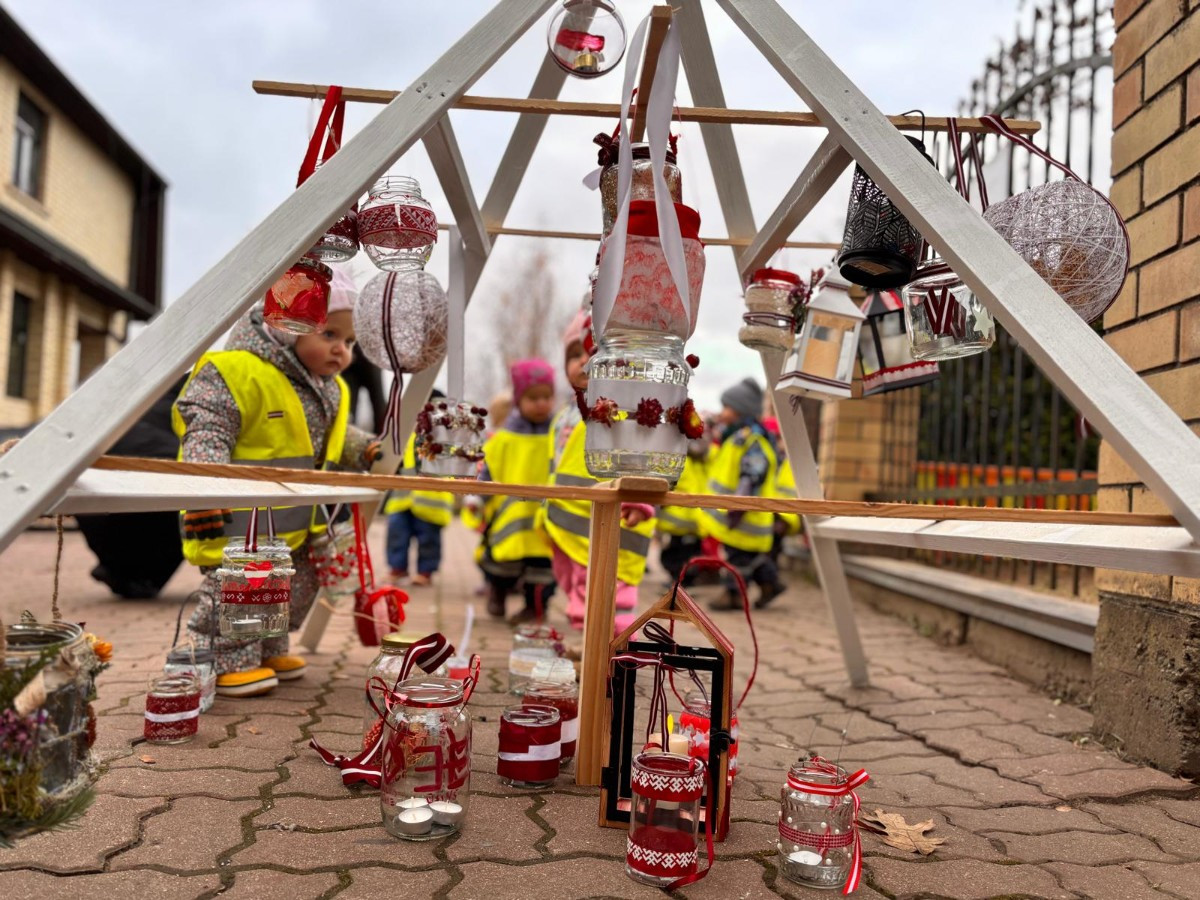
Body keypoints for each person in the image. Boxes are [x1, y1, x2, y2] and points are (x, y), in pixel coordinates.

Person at [173, 268, 378, 696]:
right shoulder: (235, 372)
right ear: (287, 326)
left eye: (350, 342)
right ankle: (225, 657)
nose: (341, 351)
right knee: (244, 584)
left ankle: (269, 648)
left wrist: (364, 449)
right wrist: (205, 487)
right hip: (239, 515)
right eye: (330, 334)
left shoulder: (329, 388)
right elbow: (208, 428)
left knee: (290, 587)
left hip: (296, 518)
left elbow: (332, 437)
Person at [543, 311, 655, 636]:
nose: (582, 362)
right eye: (573, 355)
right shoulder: (566, 414)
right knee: (580, 593)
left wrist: (640, 499)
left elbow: (643, 453)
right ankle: (591, 648)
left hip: (613, 517)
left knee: (613, 593)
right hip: (572, 522)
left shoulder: (622, 406)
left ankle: (619, 650)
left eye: (592, 352)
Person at [76, 376, 188, 599]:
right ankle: (133, 575)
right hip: (160, 469)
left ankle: (128, 573)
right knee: (187, 515)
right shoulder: (183, 391)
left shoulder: (143, 392)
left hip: (105, 471)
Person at [478, 359, 557, 623]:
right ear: (518, 400)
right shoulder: (505, 437)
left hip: (545, 518)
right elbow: (489, 465)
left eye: (547, 397)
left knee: (542, 569)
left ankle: (535, 608)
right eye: (533, 398)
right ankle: (497, 594)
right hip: (509, 516)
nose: (541, 403)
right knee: (501, 563)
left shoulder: (558, 436)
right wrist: (482, 492)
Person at [698, 377, 787, 610]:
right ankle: (770, 584)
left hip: (745, 516)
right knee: (747, 557)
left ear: (741, 409)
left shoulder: (752, 439)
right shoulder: (738, 436)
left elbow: (752, 474)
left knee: (739, 559)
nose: (723, 412)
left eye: (727, 407)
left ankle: (734, 594)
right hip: (740, 515)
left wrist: (738, 506)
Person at [383, 390, 453, 586]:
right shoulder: (406, 436)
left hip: (431, 501)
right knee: (396, 534)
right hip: (402, 498)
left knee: (428, 539)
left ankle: (425, 571)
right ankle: (397, 568)